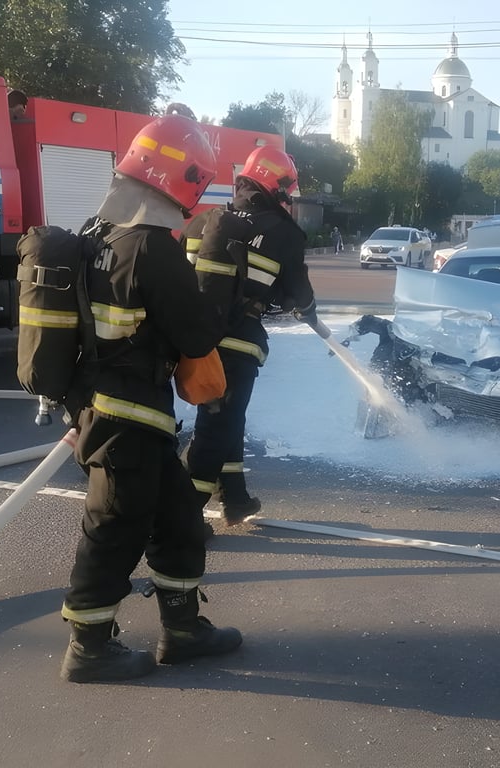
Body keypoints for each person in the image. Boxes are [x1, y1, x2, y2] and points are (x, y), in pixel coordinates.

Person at [58, 106, 242, 684]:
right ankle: (88, 647)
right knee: (114, 527)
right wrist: (215, 288)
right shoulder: (153, 247)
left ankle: (183, 629)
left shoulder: (99, 233)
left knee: (179, 519)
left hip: (124, 412)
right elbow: (196, 335)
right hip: (126, 416)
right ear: (184, 180)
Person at [180, 146, 316, 533]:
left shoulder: (204, 221)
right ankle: (184, 517)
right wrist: (307, 307)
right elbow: (298, 292)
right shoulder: (284, 233)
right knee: (216, 427)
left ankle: (235, 497)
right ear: (279, 188)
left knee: (225, 419)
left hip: (195, 342)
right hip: (238, 345)